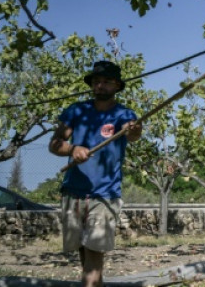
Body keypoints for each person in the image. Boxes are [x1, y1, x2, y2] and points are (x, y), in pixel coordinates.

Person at [49, 61, 142, 287]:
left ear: (117, 86)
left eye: (106, 82)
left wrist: (135, 128)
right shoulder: (76, 111)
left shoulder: (123, 114)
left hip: (105, 194)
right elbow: (54, 144)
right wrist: (72, 149)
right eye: (96, 81)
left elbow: (133, 134)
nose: (100, 86)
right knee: (84, 251)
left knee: (94, 252)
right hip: (73, 192)